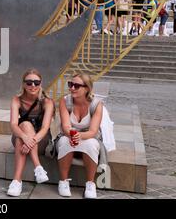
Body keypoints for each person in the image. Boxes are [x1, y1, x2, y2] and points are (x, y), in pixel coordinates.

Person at [56, 73, 105, 199]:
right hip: (69, 135)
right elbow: (66, 126)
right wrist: (73, 135)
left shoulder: (96, 104)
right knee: (64, 141)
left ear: (87, 88)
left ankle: (90, 184)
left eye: (76, 86)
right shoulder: (65, 101)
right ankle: (63, 182)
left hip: (89, 137)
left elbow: (93, 131)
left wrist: (80, 136)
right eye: (70, 84)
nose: (72, 88)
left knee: (91, 143)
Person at [6, 69, 55, 197]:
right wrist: (25, 138)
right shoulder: (17, 100)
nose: (33, 86)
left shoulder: (47, 102)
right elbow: (13, 125)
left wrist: (30, 141)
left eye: (36, 82)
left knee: (22, 134)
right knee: (25, 126)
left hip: (41, 140)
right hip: (21, 137)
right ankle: (38, 167)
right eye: (29, 82)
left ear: (40, 83)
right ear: (23, 84)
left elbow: (45, 128)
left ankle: (17, 181)